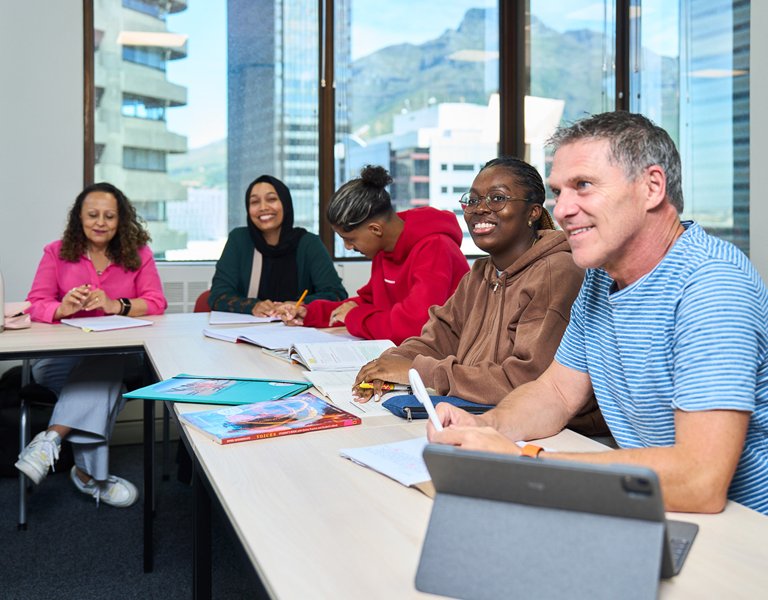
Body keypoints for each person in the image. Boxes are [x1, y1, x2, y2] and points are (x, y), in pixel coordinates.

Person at [428, 111, 768, 515]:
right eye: (559, 191)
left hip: (739, 531)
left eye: (583, 186)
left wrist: (523, 462)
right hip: (650, 504)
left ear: (652, 187)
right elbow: (555, 392)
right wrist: (486, 427)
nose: (564, 209)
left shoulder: (711, 286)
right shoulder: (599, 278)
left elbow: (699, 481)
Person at [355, 157, 606, 436]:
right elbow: (439, 337)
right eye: (472, 200)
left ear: (533, 212)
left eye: (497, 198)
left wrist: (418, 371)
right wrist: (391, 363)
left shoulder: (556, 272)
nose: (481, 208)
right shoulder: (480, 273)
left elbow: (525, 380)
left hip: (557, 433)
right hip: (479, 412)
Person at [18, 182, 167, 508]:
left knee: (108, 361)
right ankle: (89, 478)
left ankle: (50, 439)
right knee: (102, 384)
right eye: (93, 214)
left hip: (121, 359)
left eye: (110, 215)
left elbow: (156, 302)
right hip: (60, 362)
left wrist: (118, 305)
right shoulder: (56, 253)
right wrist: (62, 308)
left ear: (121, 220)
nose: (101, 222)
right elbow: (34, 303)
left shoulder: (138, 255)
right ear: (79, 218)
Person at [280, 165, 469, 345]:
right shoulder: (383, 250)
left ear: (375, 229)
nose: (347, 247)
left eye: (350, 239)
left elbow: (415, 327)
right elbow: (368, 302)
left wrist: (355, 317)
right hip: (404, 353)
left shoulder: (436, 248)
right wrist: (311, 313)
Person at [208, 175, 347, 316]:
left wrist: (300, 305)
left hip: (298, 330)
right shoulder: (239, 240)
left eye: (272, 199)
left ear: (285, 203)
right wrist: (253, 306)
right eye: (255, 202)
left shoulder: (308, 243)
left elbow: (337, 295)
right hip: (246, 331)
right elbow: (217, 297)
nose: (263, 207)